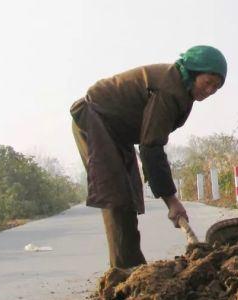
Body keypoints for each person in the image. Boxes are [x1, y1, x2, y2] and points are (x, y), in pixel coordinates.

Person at [70, 45, 227, 268]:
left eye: (216, 87)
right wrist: (172, 201)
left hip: (117, 131)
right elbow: (151, 147)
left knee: (130, 195)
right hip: (95, 119)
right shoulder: (169, 89)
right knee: (117, 196)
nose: (210, 90)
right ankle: (126, 272)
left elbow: (151, 142)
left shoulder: (183, 90)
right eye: (208, 82)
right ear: (193, 72)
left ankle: (131, 266)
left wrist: (169, 198)